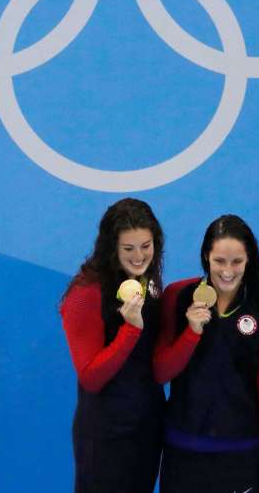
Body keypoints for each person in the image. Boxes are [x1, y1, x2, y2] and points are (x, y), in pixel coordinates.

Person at [154, 215, 259, 493]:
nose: (228, 271)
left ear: (249, 260)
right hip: (183, 450)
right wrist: (191, 333)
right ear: (206, 258)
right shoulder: (179, 296)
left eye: (237, 262)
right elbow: (161, 372)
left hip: (243, 451)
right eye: (219, 261)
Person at [60, 198, 166, 493]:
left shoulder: (148, 283)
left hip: (146, 430)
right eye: (128, 248)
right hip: (104, 436)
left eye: (146, 246)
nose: (139, 256)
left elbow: (155, 365)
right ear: (111, 248)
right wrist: (130, 329)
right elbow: (91, 377)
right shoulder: (86, 292)